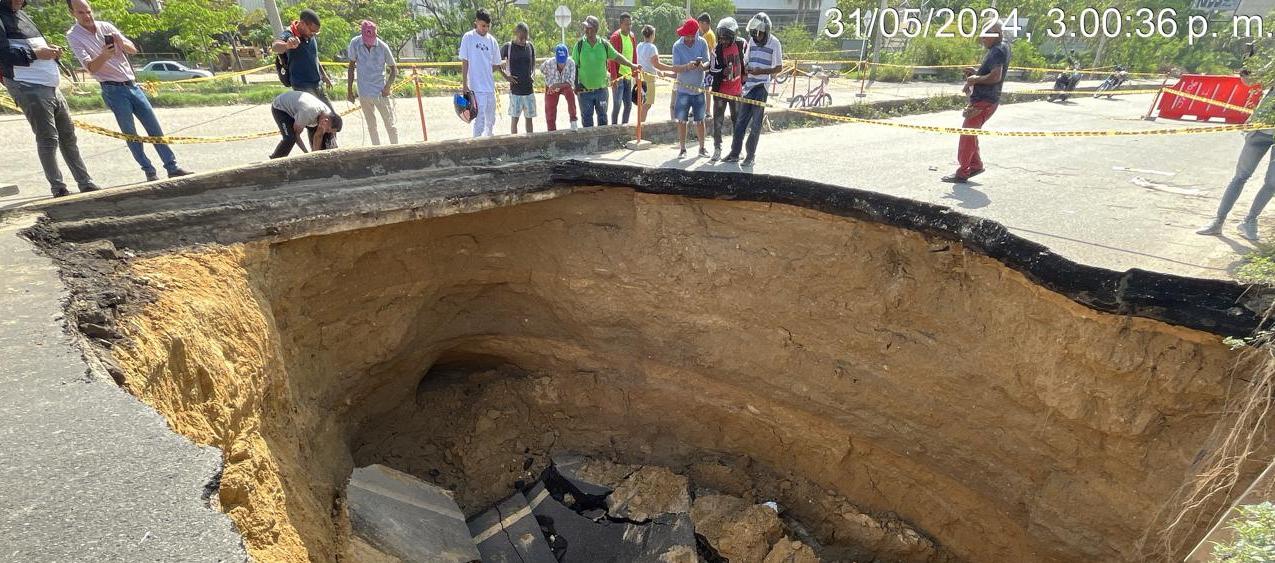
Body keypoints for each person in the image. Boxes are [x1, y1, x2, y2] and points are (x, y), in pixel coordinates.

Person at [66, 0, 190, 183]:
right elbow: (91, 68)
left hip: (132, 84)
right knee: (131, 133)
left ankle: (172, 166)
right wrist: (104, 55)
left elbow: (133, 50)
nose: (87, 16)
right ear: (72, 13)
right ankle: (148, 170)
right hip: (112, 88)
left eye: (89, 11)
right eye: (81, 12)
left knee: (154, 127)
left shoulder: (106, 26)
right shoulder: (73, 35)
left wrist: (119, 41)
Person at [1, 0, 97, 196]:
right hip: (27, 85)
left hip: (52, 86)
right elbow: (3, 54)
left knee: (68, 136)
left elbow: (33, 45)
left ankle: (85, 182)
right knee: (48, 138)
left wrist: (50, 50)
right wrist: (37, 53)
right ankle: (58, 187)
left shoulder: (22, 14)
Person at [1197, 64, 1275, 241]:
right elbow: (1250, 81)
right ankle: (1218, 221)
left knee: (1273, 183)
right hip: (1260, 130)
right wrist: (1249, 66)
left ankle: (1250, 221)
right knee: (1241, 176)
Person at [941, 22, 1008, 183]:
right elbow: (992, 74)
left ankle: (963, 172)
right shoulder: (1001, 48)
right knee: (971, 133)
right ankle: (975, 165)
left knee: (967, 135)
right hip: (986, 99)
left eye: (985, 35)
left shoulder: (997, 51)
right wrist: (976, 74)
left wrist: (975, 79)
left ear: (995, 34)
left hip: (984, 101)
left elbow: (995, 76)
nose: (982, 39)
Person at [723, 12, 781, 167]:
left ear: (766, 31)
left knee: (756, 124)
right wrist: (745, 68)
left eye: (759, 34)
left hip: (761, 87)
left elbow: (778, 67)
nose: (756, 37)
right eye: (754, 34)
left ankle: (750, 156)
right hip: (748, 87)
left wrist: (760, 71)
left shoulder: (775, 43)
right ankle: (735, 153)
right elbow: (746, 60)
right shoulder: (753, 41)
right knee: (741, 122)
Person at [572, 15, 639, 128]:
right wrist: (575, 84)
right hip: (584, 91)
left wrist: (631, 65)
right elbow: (574, 65)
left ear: (596, 29)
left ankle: (603, 145)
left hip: (601, 91)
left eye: (589, 28)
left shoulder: (604, 44)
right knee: (587, 121)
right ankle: (591, 145)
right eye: (585, 28)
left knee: (603, 119)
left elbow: (617, 56)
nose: (587, 30)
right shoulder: (579, 45)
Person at [345, 19, 398, 145]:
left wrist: (387, 87)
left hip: (380, 92)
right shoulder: (355, 43)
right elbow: (351, 67)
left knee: (390, 124)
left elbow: (394, 69)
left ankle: (396, 149)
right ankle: (376, 150)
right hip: (364, 92)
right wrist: (349, 91)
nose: (369, 43)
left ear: (375, 34)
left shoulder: (383, 47)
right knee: (371, 126)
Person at [459, 8, 508, 137]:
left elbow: (496, 64)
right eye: (482, 25)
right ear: (476, 22)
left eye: (487, 26)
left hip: (489, 86)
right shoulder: (468, 38)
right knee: (479, 118)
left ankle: (489, 141)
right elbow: (465, 61)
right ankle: (476, 144)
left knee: (491, 119)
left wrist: (501, 65)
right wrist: (464, 84)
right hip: (476, 87)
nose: (485, 28)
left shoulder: (492, 41)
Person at [272, 10, 335, 110]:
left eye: (316, 32)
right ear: (302, 24)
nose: (313, 34)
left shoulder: (310, 35)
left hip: (317, 84)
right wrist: (287, 45)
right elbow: (275, 47)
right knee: (317, 118)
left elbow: (314, 57)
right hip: (302, 87)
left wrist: (324, 76)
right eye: (312, 31)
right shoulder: (289, 34)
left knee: (332, 117)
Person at [671, 18, 709, 158]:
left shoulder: (702, 42)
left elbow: (707, 62)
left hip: (699, 89)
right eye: (684, 35)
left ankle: (702, 148)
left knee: (700, 120)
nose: (686, 38)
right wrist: (687, 66)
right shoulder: (677, 46)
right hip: (683, 90)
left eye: (689, 35)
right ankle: (682, 149)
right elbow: (675, 68)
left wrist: (702, 66)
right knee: (682, 120)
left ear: (695, 35)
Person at [707, 17, 744, 160]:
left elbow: (745, 62)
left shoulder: (741, 45)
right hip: (721, 92)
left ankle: (737, 150)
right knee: (717, 122)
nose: (723, 41)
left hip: (736, 92)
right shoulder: (717, 49)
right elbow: (712, 69)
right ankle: (717, 148)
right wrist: (722, 71)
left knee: (738, 122)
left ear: (733, 37)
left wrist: (745, 76)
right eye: (721, 38)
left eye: (726, 39)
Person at [270, 90, 341, 158]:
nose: (327, 131)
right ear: (325, 121)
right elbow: (296, 136)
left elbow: (318, 136)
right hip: (281, 107)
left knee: (323, 137)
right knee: (290, 138)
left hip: (300, 108)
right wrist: (306, 154)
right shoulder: (307, 114)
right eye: (328, 130)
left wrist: (315, 156)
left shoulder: (326, 114)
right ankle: (274, 160)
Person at [635, 24, 675, 125]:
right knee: (647, 104)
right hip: (649, 78)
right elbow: (656, 64)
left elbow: (646, 63)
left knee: (642, 103)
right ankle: (641, 125)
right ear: (652, 35)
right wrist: (671, 68)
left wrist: (657, 71)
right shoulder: (652, 47)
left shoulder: (639, 46)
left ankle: (639, 125)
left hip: (640, 76)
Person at [502, 22, 536, 134]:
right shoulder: (508, 47)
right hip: (515, 91)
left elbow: (533, 62)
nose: (523, 40)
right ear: (516, 34)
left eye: (525, 38)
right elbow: (497, 63)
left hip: (528, 90)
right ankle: (514, 144)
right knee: (514, 120)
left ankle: (530, 142)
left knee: (529, 119)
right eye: (521, 37)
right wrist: (506, 76)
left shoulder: (530, 46)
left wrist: (533, 74)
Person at [540, 43, 578, 131]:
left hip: (565, 85)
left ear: (567, 56)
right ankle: (551, 130)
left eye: (563, 60)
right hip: (552, 85)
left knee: (570, 94)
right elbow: (542, 70)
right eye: (559, 60)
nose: (561, 64)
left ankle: (573, 120)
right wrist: (550, 84)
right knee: (550, 108)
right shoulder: (549, 63)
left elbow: (571, 82)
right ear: (555, 57)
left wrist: (556, 85)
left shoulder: (571, 63)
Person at [608, 12, 636, 125]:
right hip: (619, 77)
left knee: (628, 105)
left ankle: (624, 126)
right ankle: (614, 127)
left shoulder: (632, 36)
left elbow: (634, 55)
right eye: (626, 24)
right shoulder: (615, 37)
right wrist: (614, 78)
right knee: (617, 105)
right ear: (620, 24)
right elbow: (612, 58)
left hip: (628, 76)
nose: (628, 26)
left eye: (630, 24)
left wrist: (635, 72)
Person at [697, 12, 716, 119]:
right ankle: (705, 110)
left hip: (707, 66)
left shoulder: (707, 35)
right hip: (708, 66)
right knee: (705, 88)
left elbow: (708, 52)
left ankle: (707, 111)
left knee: (706, 89)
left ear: (705, 23)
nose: (699, 27)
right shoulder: (709, 34)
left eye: (700, 24)